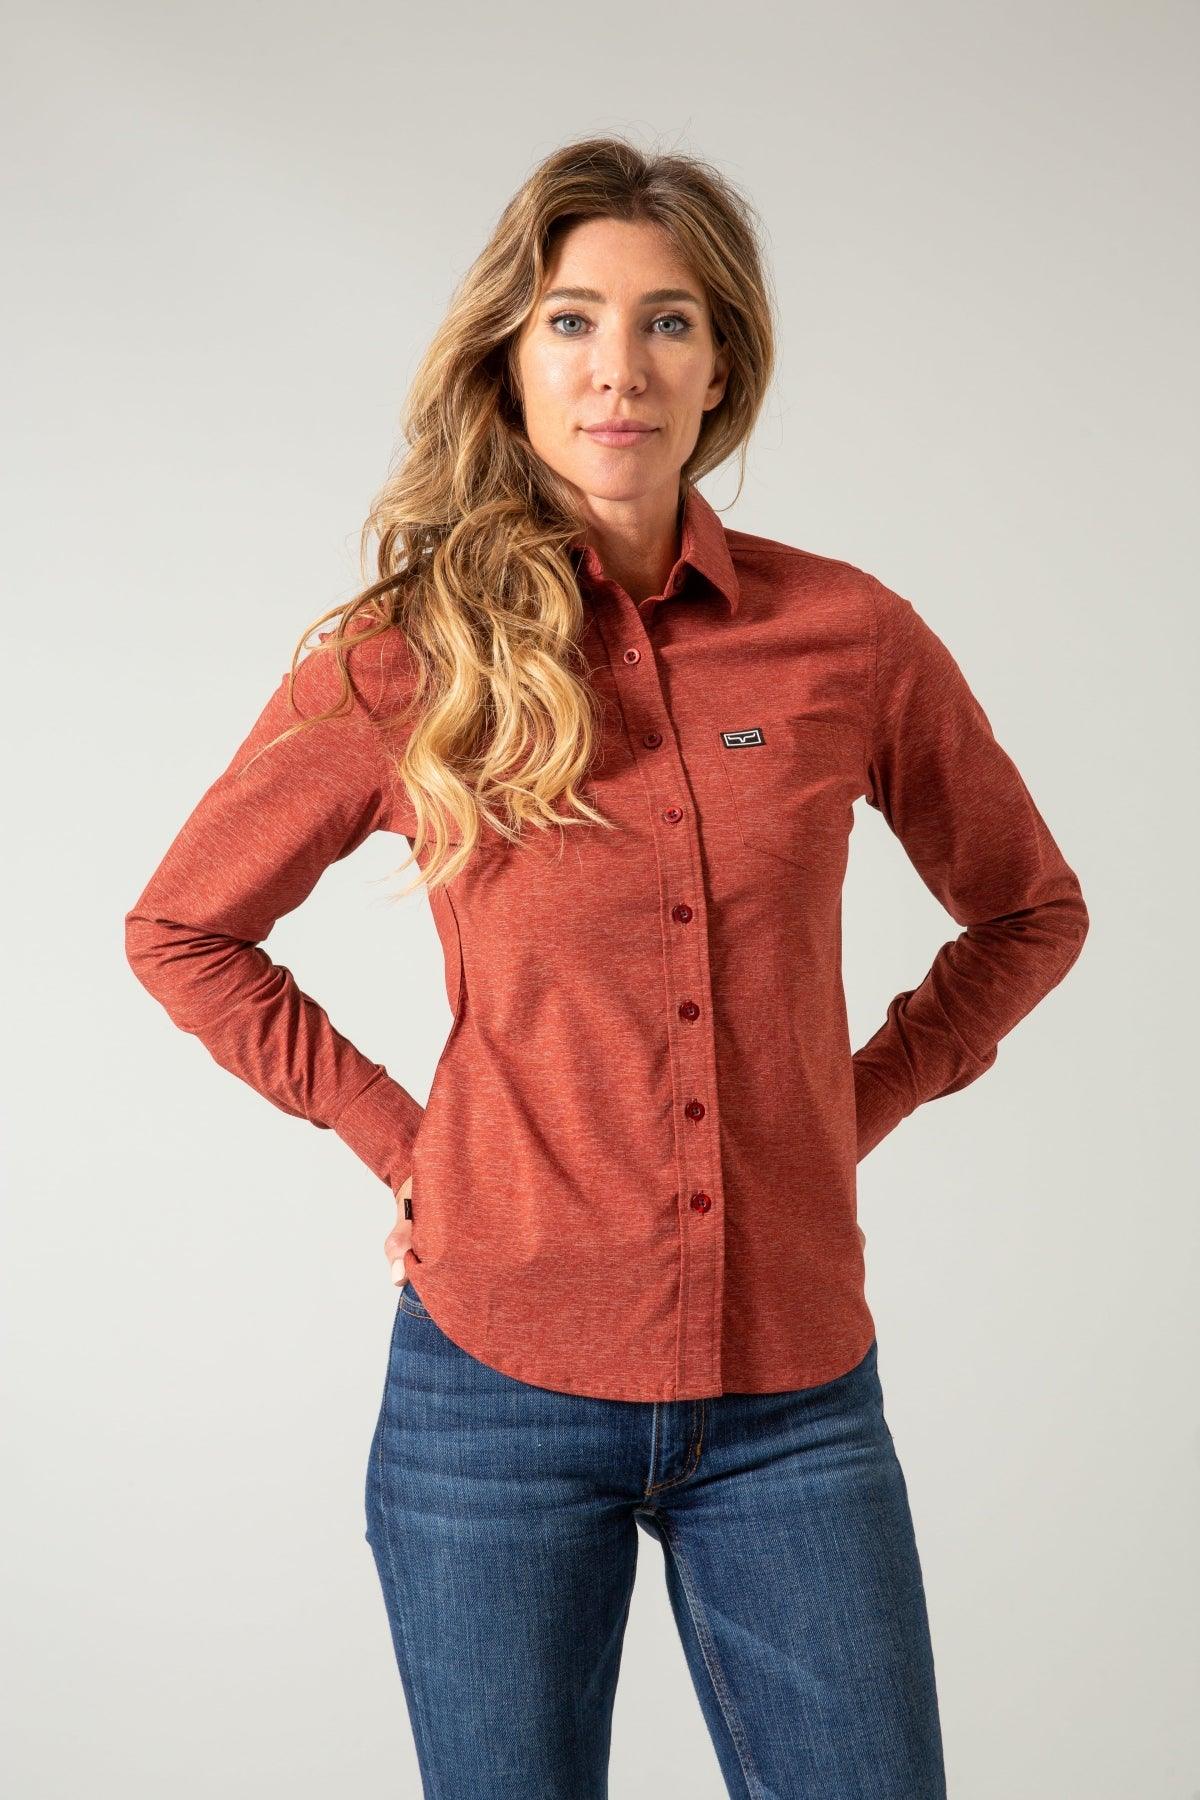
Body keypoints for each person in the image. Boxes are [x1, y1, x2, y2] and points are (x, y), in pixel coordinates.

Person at [124, 134, 1089, 1798]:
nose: (617, 369)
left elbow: (1029, 912)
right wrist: (407, 1142)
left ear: (723, 365)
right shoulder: (411, 653)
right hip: (490, 1393)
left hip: (794, 1395)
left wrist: (840, 1109)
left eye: (667, 322)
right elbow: (184, 930)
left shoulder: (848, 637)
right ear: (513, 357)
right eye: (572, 321)